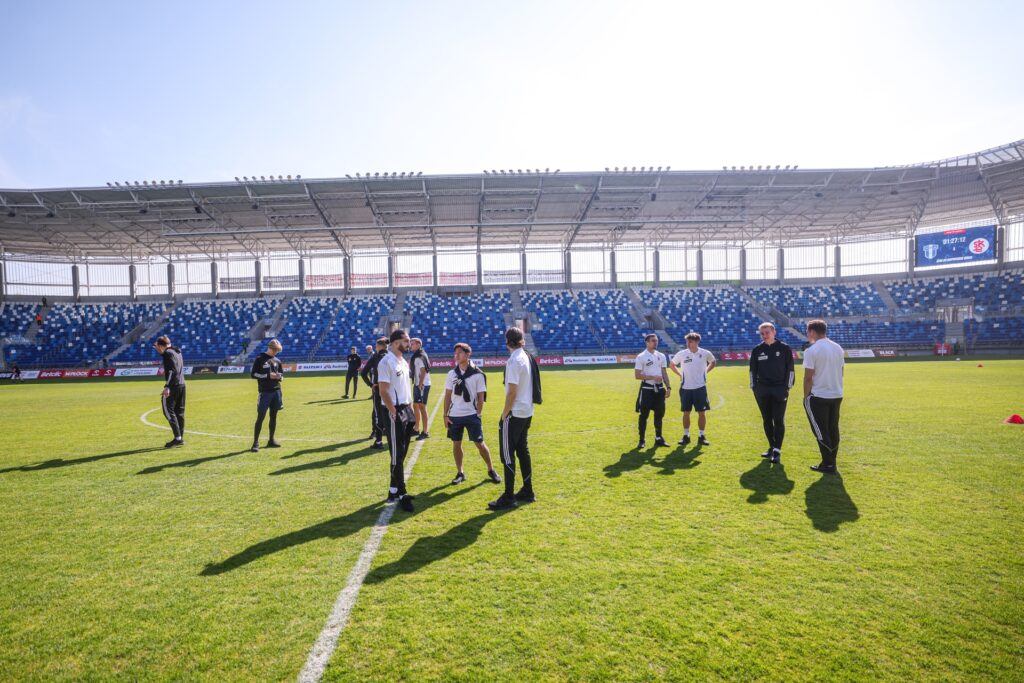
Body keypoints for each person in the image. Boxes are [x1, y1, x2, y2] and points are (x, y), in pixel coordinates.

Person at [489, 327, 537, 510]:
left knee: (507, 454)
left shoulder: (513, 361)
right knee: (523, 450)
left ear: (507, 341)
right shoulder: (526, 356)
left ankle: (509, 497)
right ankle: (527, 490)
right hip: (527, 410)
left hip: (515, 412)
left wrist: (504, 414)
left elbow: (512, 392)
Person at [443, 342, 501, 485]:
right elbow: (448, 395)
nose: (456, 355)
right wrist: (445, 415)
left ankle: (491, 469)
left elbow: (481, 397)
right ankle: (460, 472)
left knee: (480, 443)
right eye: (455, 353)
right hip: (454, 416)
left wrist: (478, 414)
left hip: (471, 415)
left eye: (460, 353)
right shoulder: (451, 374)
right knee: (456, 444)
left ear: (468, 354)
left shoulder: (478, 374)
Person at [377, 329, 416, 512]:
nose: (409, 344)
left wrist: (411, 409)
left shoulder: (403, 361)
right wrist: (393, 411)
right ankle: (402, 492)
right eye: (406, 341)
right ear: (395, 343)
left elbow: (406, 388)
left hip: (407, 409)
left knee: (403, 451)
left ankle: (393, 489)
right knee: (396, 453)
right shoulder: (386, 362)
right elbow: (383, 390)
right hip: (394, 410)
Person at [802, 320, 845, 475]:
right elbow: (841, 371)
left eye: (808, 331)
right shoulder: (838, 347)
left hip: (818, 396)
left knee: (820, 430)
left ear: (812, 332)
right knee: (833, 429)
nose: (807, 334)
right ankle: (831, 462)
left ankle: (828, 464)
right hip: (837, 394)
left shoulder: (811, 350)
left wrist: (806, 396)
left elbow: (808, 378)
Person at [750, 322, 794, 464]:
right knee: (767, 420)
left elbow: (790, 370)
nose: (765, 335)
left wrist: (786, 387)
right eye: (762, 333)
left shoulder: (784, 348)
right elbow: (752, 371)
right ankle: (771, 446)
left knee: (778, 420)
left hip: (779, 389)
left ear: (774, 332)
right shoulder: (757, 350)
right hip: (762, 390)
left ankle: (777, 451)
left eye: (767, 332)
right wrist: (755, 388)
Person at [669, 331, 716, 446]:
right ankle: (686, 436)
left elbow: (713, 362)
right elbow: (672, 364)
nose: (688, 343)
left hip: (700, 387)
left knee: (702, 413)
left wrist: (705, 372)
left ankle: (701, 436)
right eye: (687, 341)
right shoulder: (682, 354)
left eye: (690, 341)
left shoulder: (705, 353)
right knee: (686, 413)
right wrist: (680, 374)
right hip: (685, 388)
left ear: (697, 342)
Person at [634, 333, 671, 449]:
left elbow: (664, 372)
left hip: (659, 390)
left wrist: (668, 387)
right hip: (647, 389)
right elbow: (637, 375)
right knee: (644, 415)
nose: (656, 342)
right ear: (647, 342)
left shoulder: (661, 355)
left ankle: (659, 438)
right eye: (653, 341)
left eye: (656, 340)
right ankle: (641, 440)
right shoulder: (641, 357)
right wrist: (653, 377)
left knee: (659, 415)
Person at [250, 339, 285, 453]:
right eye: (275, 350)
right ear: (270, 348)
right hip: (265, 392)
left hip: (276, 391)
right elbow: (253, 374)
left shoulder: (277, 360)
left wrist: (280, 377)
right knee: (261, 417)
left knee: (273, 416)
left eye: (277, 351)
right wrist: (268, 376)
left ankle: (271, 440)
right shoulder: (260, 358)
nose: (276, 353)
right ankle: (255, 443)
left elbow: (282, 374)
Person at [154, 335, 186, 448]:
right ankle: (180, 438)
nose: (157, 348)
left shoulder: (168, 353)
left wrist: (167, 386)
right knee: (179, 413)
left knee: (168, 411)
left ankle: (178, 438)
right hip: (182, 385)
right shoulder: (177, 351)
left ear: (161, 346)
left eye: (157, 346)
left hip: (173, 386)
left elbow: (172, 371)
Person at [360, 337, 389, 449]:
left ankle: (378, 440)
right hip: (390, 389)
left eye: (376, 346)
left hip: (378, 389)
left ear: (379, 346)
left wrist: (371, 384)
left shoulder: (375, 357)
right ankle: (394, 439)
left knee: (378, 415)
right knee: (391, 413)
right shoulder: (392, 356)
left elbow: (363, 373)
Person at [409, 337, 432, 440]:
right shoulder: (418, 355)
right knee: (415, 405)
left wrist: (420, 384)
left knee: (422, 407)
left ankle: (425, 431)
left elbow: (423, 371)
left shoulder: (420, 356)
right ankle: (416, 428)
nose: (410, 345)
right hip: (418, 384)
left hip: (422, 385)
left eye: (412, 343)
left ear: (418, 344)